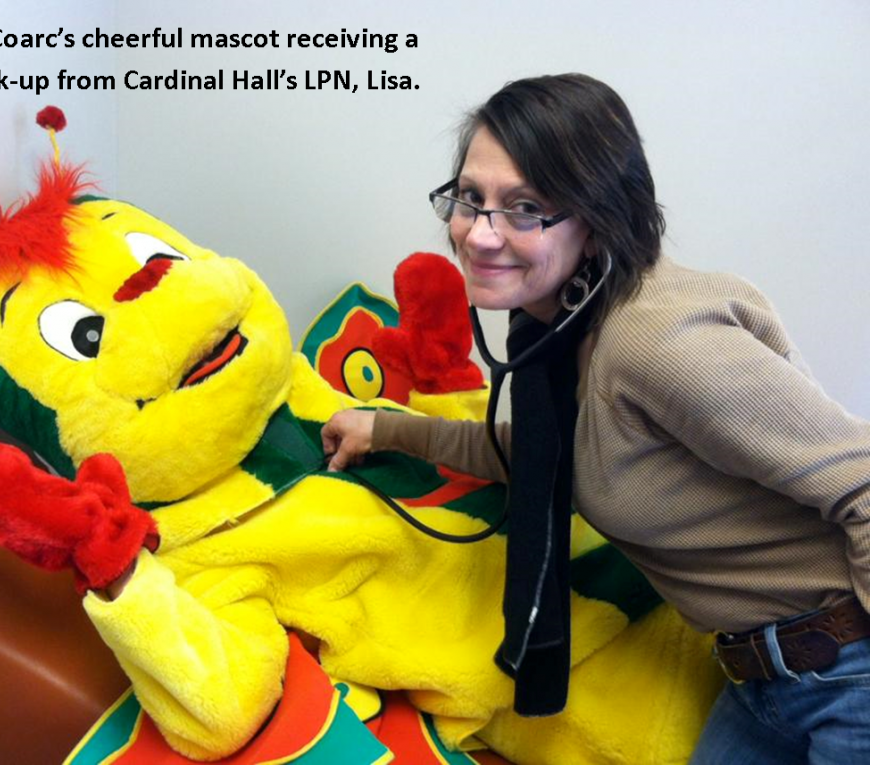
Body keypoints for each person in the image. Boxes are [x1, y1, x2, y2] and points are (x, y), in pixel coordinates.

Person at [320, 73, 870, 764]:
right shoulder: (565, 327)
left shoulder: (653, 340)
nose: (479, 233)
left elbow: (863, 481)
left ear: (599, 216)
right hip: (767, 680)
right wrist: (386, 428)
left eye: (526, 208)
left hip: (847, 674)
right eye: (470, 198)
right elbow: (552, 456)